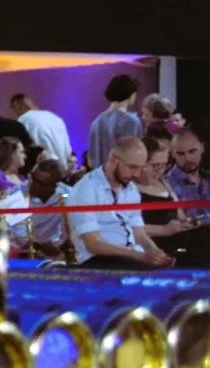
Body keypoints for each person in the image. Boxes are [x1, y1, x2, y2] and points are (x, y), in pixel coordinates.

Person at [68, 136, 171, 268]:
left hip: (132, 257)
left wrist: (155, 253)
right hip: (100, 261)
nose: (137, 175)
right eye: (133, 167)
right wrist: (140, 256)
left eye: (140, 168)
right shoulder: (86, 190)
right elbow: (93, 244)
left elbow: (139, 233)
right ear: (114, 160)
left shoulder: (130, 188)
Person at [87, 73, 144, 171]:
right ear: (131, 93)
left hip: (100, 176)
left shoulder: (96, 122)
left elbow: (91, 162)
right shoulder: (131, 121)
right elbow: (136, 157)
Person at [9, 93, 73, 170]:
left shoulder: (23, 120)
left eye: (14, 109)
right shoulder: (53, 117)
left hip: (43, 168)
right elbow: (68, 149)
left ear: (19, 107)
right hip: (62, 168)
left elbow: (22, 146)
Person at [25, 158, 73, 259]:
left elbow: (70, 234)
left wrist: (59, 248)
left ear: (54, 186)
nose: (31, 184)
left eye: (38, 182)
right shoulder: (19, 193)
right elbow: (15, 234)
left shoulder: (68, 197)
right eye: (32, 177)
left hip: (57, 252)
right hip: (26, 251)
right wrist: (40, 247)